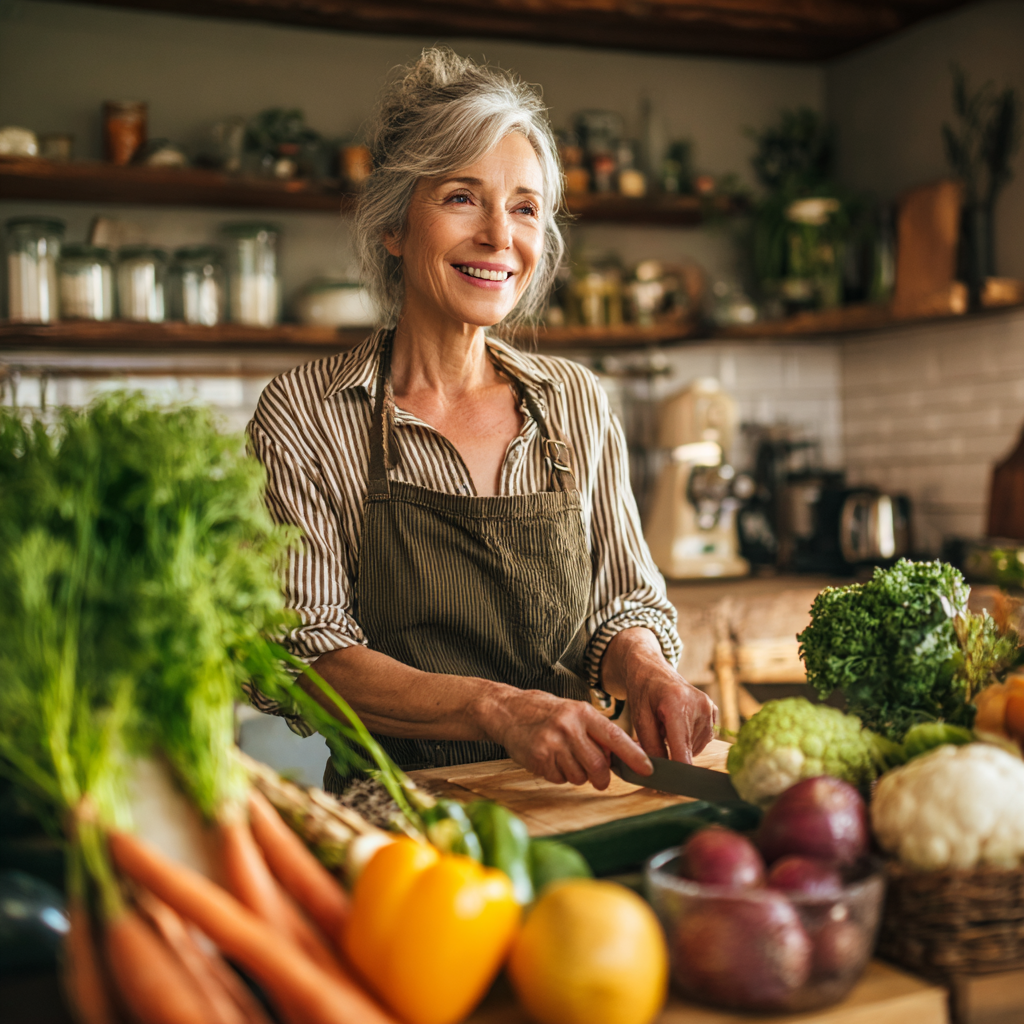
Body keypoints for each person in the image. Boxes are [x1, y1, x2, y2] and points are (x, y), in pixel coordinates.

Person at [247, 47, 717, 792]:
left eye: (525, 207)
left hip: (574, 803)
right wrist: (499, 710)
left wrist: (648, 670)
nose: (501, 236)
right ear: (394, 226)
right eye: (462, 197)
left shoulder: (574, 400)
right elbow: (304, 658)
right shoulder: (307, 413)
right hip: (401, 819)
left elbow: (619, 602)